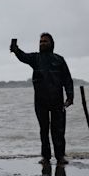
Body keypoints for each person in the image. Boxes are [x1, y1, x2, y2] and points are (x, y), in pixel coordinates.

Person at [10, 32, 73, 165]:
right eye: (41, 42)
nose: (42, 43)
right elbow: (23, 56)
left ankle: (60, 156)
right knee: (43, 130)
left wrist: (70, 97)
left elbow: (67, 79)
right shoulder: (35, 58)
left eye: (45, 41)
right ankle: (46, 157)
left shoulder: (59, 59)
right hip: (41, 101)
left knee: (59, 130)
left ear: (51, 44)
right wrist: (15, 49)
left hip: (57, 100)